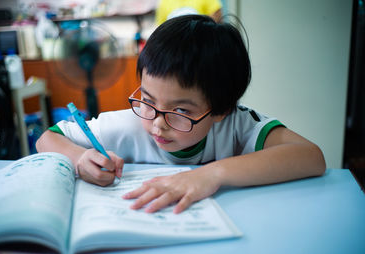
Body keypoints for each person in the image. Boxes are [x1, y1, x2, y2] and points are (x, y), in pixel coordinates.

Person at [36, 15, 326, 214]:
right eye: (147, 100)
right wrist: (79, 159)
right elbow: (47, 138)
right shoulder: (132, 123)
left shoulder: (238, 124)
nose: (158, 124)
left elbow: (311, 156)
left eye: (180, 111)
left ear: (221, 109)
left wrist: (211, 174)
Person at [155, 0, 223, 25]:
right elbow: (161, 29)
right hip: (176, 51)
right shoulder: (164, 3)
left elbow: (216, 22)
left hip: (203, 47)